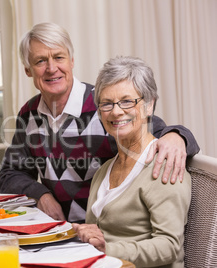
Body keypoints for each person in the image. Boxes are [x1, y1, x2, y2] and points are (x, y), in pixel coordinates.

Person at [0, 22, 199, 223]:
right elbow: (9, 173)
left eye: (59, 57)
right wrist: (41, 195)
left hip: (108, 234)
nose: (52, 68)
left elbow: (156, 130)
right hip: (59, 234)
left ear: (72, 61)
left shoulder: (104, 104)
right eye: (41, 61)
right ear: (27, 70)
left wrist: (177, 136)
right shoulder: (29, 114)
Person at [72, 56, 191, 267]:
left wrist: (107, 248)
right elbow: (97, 234)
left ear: (149, 106)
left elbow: (169, 246)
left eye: (127, 101)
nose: (116, 111)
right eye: (107, 103)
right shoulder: (105, 170)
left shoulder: (165, 165)